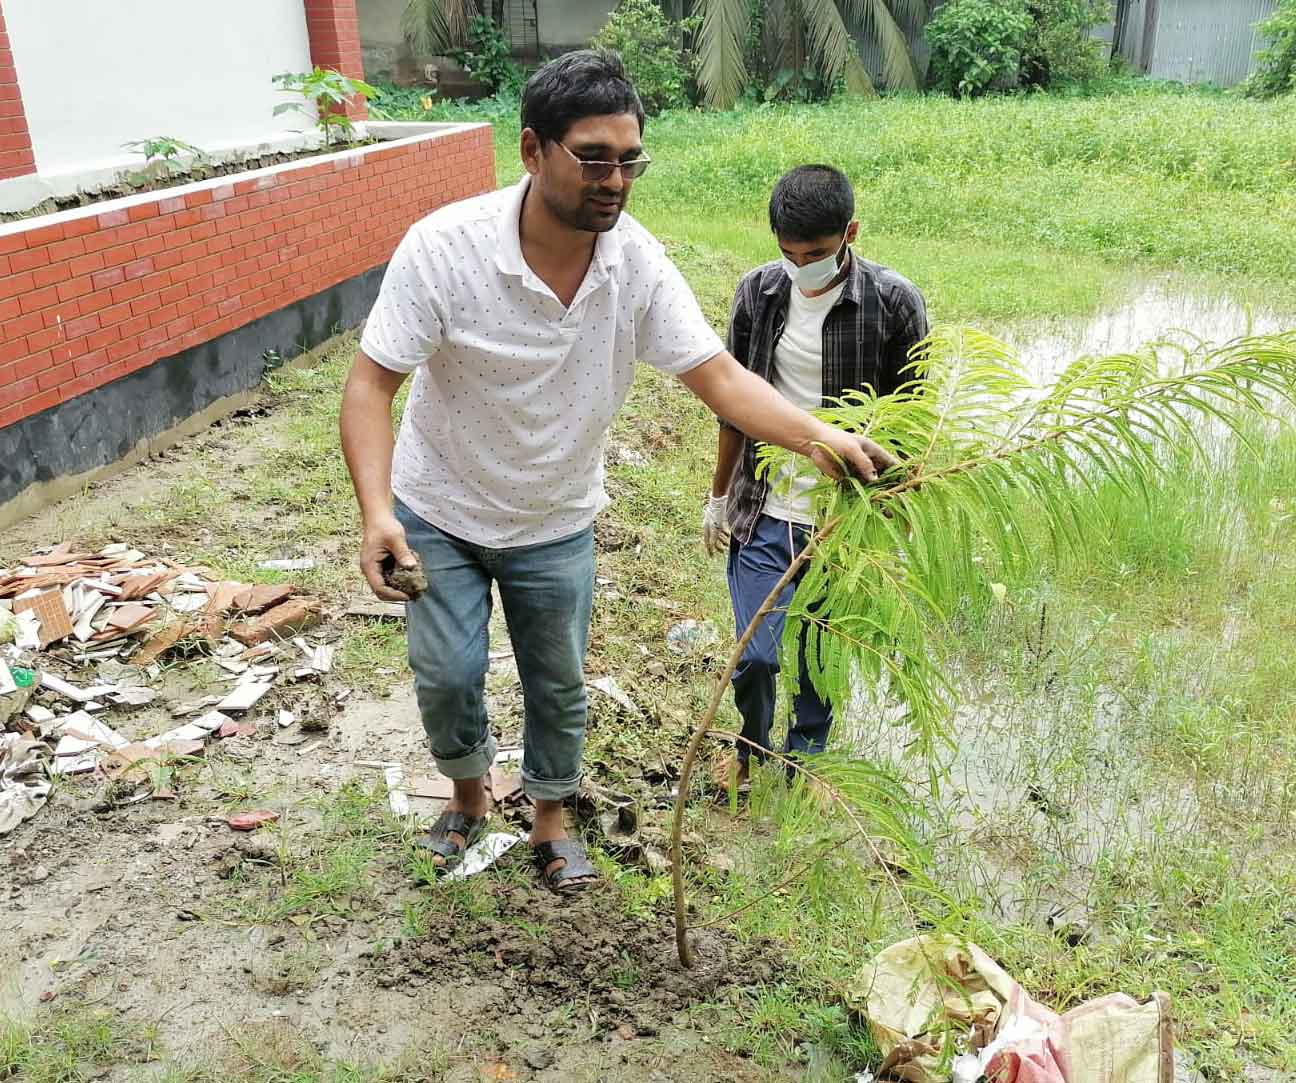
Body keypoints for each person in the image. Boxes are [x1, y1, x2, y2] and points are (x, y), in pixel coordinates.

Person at [339, 53, 896, 894]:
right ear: (533, 151)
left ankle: (553, 820)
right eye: (593, 157)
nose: (616, 179)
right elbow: (371, 382)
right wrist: (378, 512)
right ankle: (465, 797)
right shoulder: (445, 250)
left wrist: (818, 437)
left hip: (556, 513)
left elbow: (719, 377)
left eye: (629, 158)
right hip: (440, 505)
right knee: (449, 673)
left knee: (556, 678)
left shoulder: (634, 263)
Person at [702, 164, 929, 790]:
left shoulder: (892, 301)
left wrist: (897, 511)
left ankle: (805, 767)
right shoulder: (758, 293)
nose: (801, 266)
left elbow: (914, 417)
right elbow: (732, 403)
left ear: (850, 233)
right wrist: (717, 497)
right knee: (756, 655)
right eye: (789, 252)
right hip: (764, 509)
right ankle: (748, 751)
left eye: (818, 254)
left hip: (841, 520)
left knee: (815, 656)